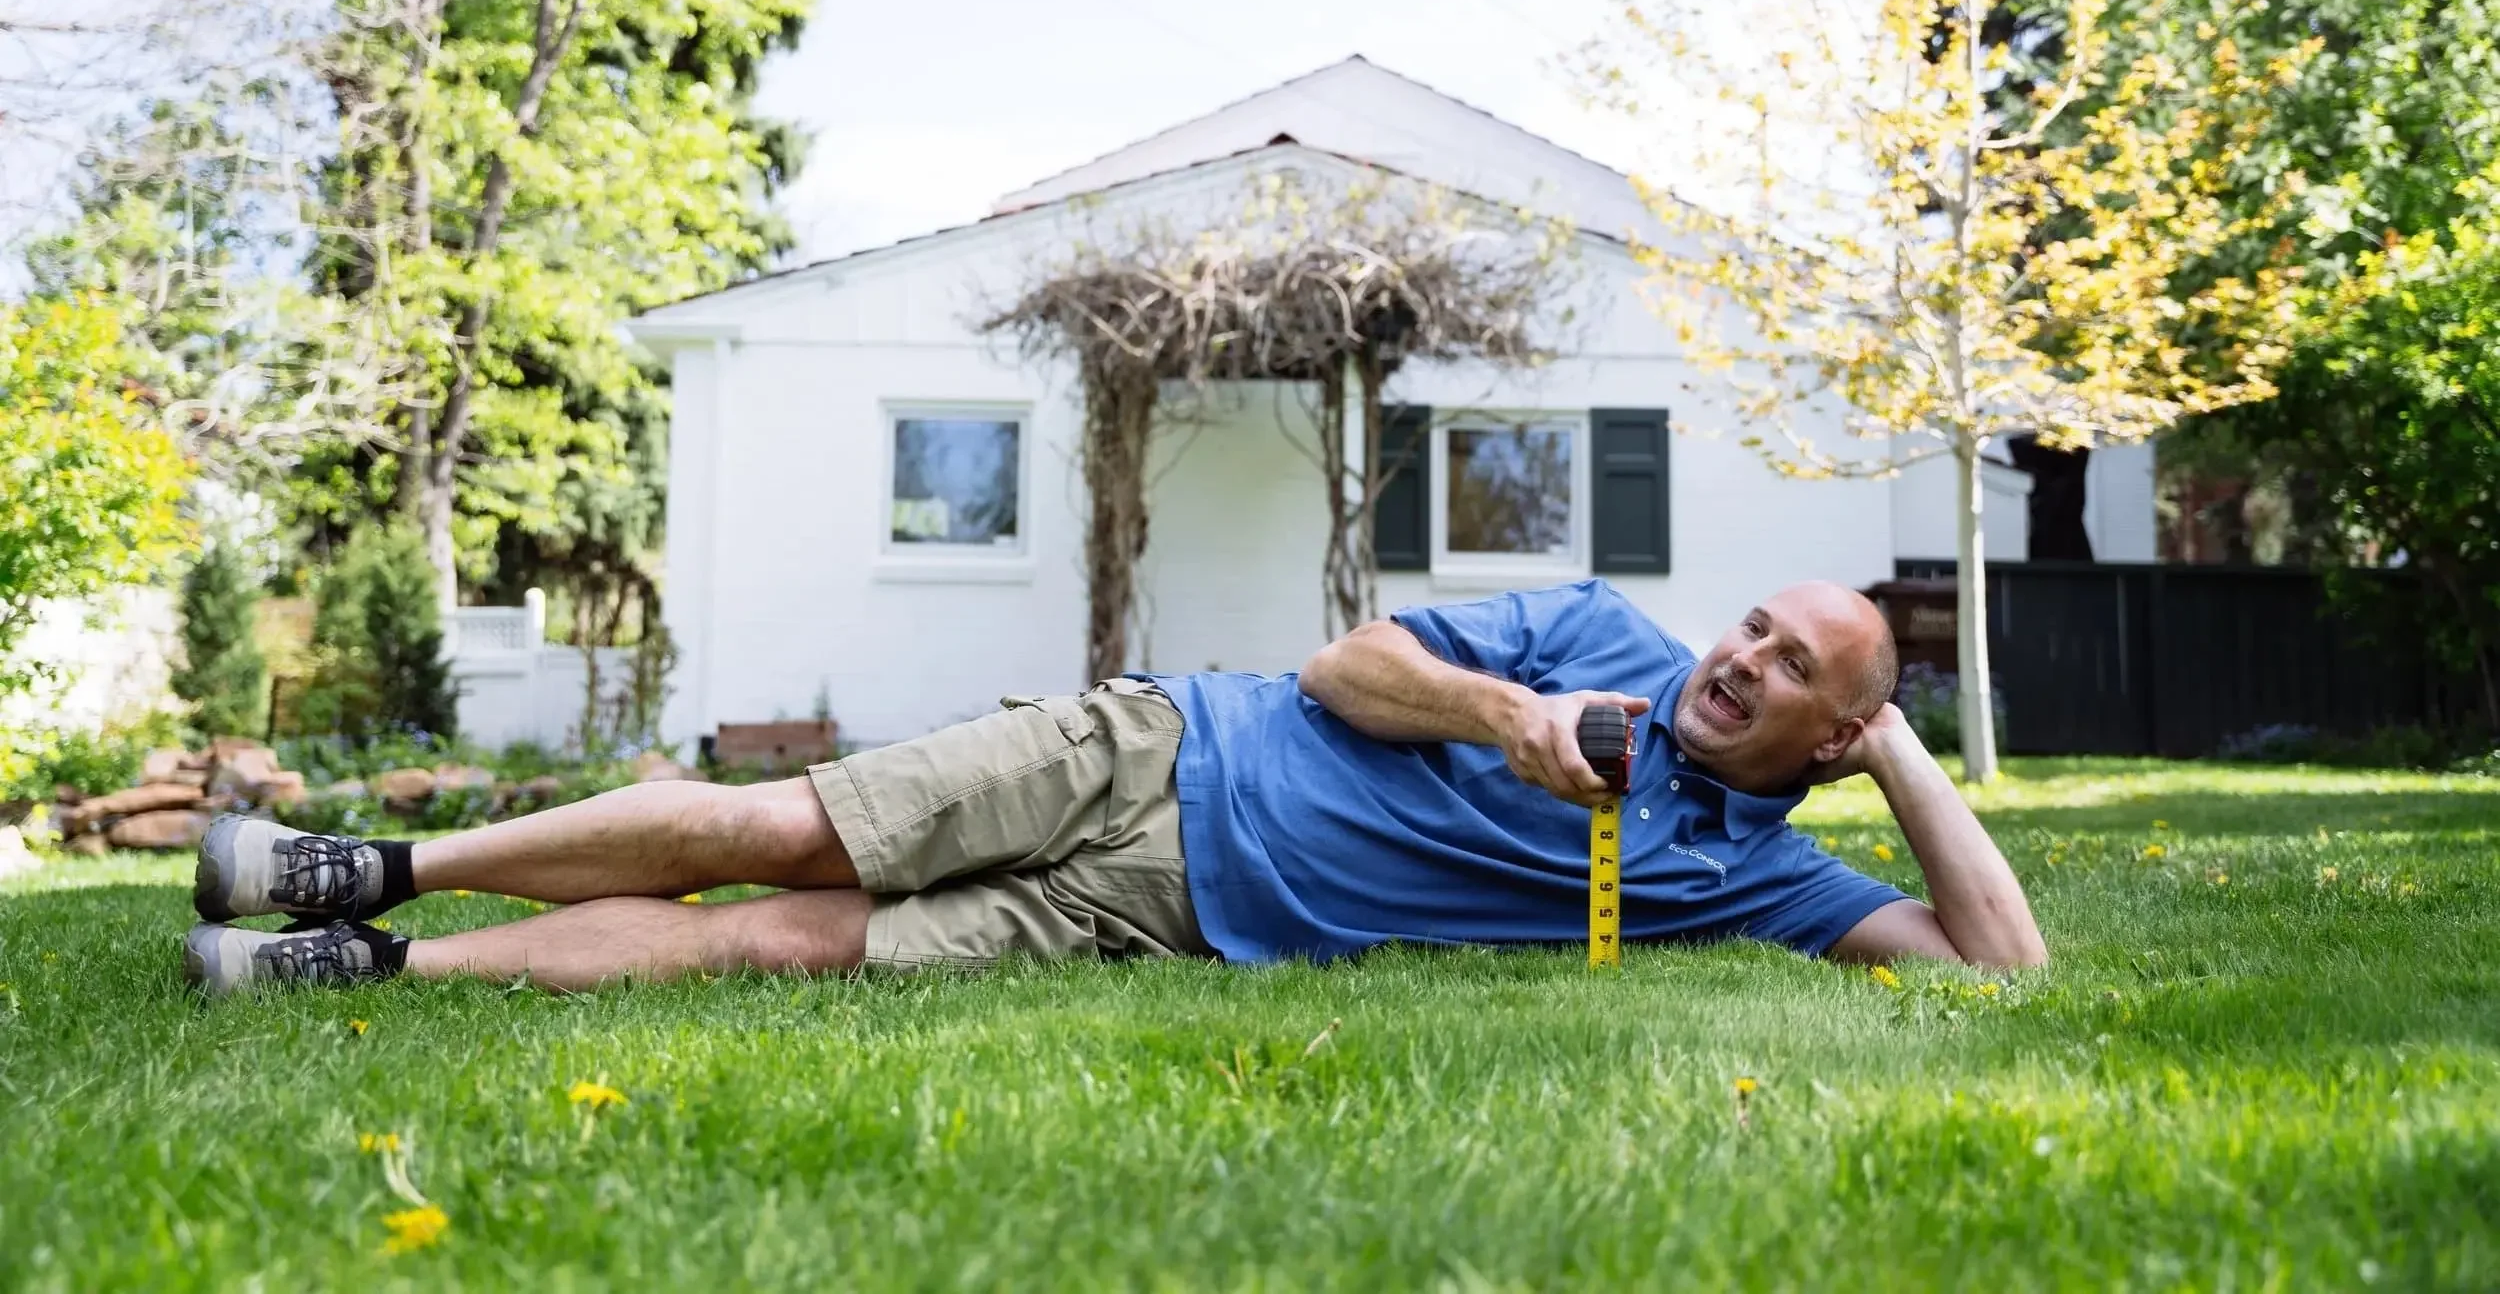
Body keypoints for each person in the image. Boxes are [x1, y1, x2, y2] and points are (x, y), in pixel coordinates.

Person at [181, 578, 2046, 995]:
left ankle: (361, 968)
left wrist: (1905, 766)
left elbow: (2004, 970)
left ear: (1832, 739)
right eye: (1754, 629)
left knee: (778, 940)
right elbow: (1344, 662)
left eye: (1800, 673)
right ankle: (369, 859)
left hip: (1160, 910)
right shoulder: (1591, 636)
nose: (1741, 660)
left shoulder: (1750, 877)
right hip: (1171, 741)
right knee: (777, 819)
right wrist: (1499, 714)